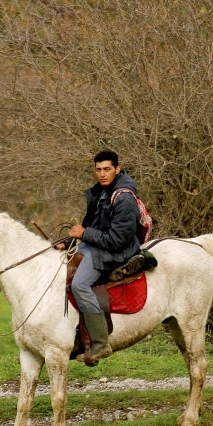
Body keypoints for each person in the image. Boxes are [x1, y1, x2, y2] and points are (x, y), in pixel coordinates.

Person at [62, 149, 142, 367]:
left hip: (118, 250)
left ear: (117, 169)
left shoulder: (124, 198)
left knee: (79, 284)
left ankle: (100, 342)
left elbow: (117, 240)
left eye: (107, 169)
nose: (102, 174)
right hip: (98, 244)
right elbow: (90, 226)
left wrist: (84, 235)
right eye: (98, 169)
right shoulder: (102, 191)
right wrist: (68, 241)